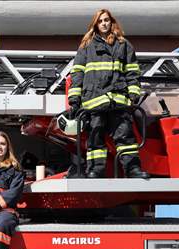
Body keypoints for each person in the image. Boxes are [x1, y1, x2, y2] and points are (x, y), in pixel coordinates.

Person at [68, 9, 150, 179]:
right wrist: (74, 100)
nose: (104, 23)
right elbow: (77, 73)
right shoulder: (86, 46)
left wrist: (133, 94)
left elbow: (133, 72)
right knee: (95, 138)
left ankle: (133, 170)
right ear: (95, 24)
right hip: (94, 101)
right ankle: (96, 171)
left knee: (125, 137)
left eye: (106, 20)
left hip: (118, 100)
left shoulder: (124, 45)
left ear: (112, 22)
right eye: (100, 21)